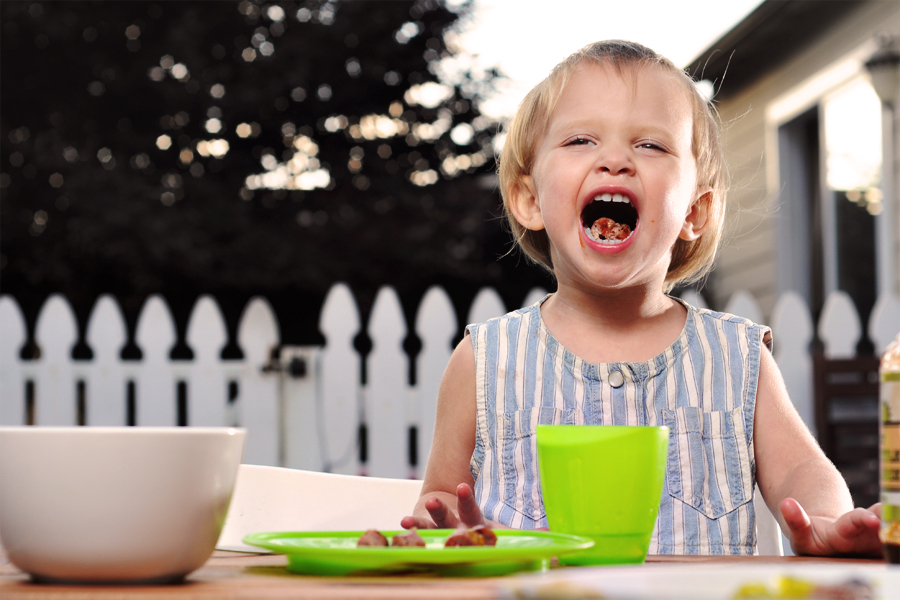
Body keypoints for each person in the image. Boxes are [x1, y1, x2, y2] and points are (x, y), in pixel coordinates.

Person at [400, 40, 883, 556]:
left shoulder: (738, 359)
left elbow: (802, 469)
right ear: (530, 199)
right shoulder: (485, 361)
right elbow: (440, 500)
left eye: (651, 146)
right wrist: (442, 524)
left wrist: (828, 519)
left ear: (694, 213)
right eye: (581, 140)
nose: (615, 161)